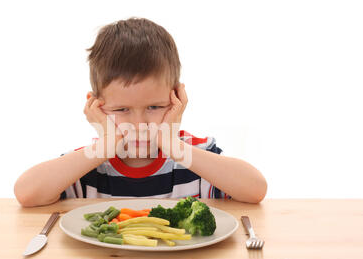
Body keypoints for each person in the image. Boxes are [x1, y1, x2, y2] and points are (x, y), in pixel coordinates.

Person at [14, 17, 267, 207]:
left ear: (177, 98)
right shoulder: (91, 163)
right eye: (122, 109)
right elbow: (26, 193)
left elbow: (255, 189)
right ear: (97, 107)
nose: (139, 124)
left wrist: (172, 145)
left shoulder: (193, 158)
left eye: (154, 107)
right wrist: (106, 144)